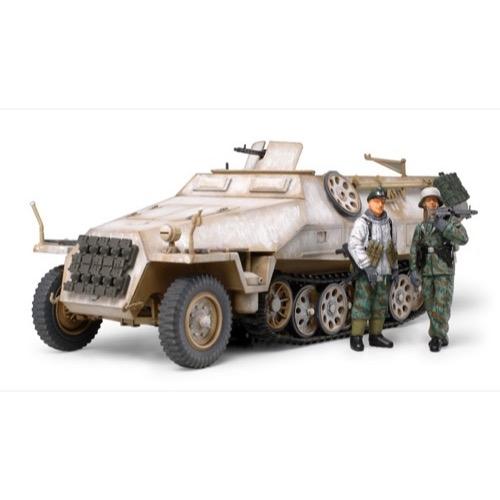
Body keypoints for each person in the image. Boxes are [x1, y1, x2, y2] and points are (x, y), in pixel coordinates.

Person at [409, 187, 468, 352]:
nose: (432, 203)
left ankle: (436, 337)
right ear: (424, 205)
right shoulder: (421, 227)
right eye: (429, 200)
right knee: (429, 305)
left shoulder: (449, 220)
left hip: (444, 270)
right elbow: (414, 248)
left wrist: (443, 226)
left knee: (442, 305)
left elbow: (463, 238)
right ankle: (440, 335)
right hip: (427, 271)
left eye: (435, 200)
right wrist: (413, 269)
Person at [348, 187, 398, 351]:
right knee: (362, 304)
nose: (380, 204)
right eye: (376, 201)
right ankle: (356, 336)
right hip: (367, 273)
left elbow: (392, 247)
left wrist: (395, 268)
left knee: (380, 305)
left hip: (384, 272)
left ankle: (376, 335)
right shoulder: (363, 223)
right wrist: (367, 266)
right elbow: (354, 245)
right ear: (369, 202)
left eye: (382, 201)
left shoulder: (389, 223)